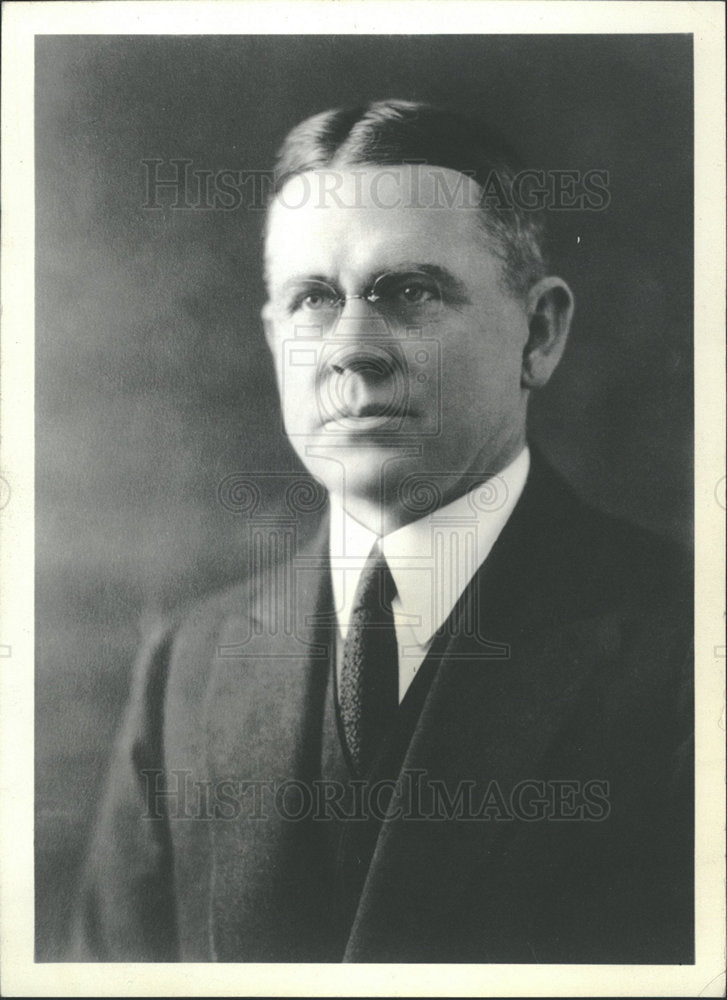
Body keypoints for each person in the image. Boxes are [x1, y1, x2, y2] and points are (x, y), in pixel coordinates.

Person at [70, 100, 693, 963]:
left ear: (539, 333)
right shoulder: (186, 665)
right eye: (312, 300)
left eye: (408, 291)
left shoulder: (687, 643)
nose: (349, 349)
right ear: (271, 335)